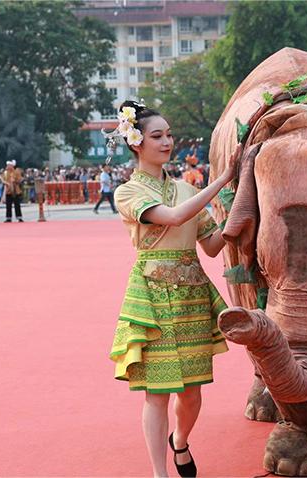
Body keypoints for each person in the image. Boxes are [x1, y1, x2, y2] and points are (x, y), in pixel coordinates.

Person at [108, 100, 240, 478]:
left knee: (192, 392)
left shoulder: (185, 188)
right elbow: (173, 217)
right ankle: (159, 473)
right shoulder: (128, 193)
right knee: (157, 393)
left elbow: (212, 246)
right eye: (157, 136)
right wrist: (222, 180)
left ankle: (180, 440)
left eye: (168, 135)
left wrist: (238, 211)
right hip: (151, 295)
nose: (167, 142)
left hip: (192, 295)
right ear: (137, 143)